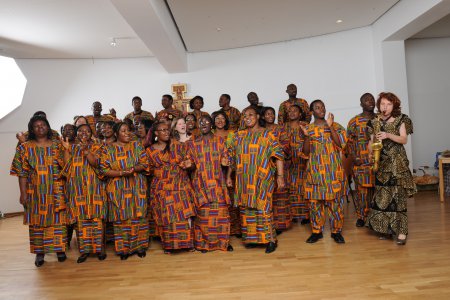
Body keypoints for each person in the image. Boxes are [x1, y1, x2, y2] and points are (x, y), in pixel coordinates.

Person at [10, 115, 67, 267]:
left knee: (58, 221)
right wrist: (22, 193)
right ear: (31, 130)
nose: (40, 127)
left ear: (48, 127)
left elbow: (67, 166)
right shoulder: (25, 148)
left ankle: (59, 250)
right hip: (35, 192)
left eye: (43, 125)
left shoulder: (57, 145)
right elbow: (21, 172)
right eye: (36, 126)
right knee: (37, 223)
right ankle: (39, 253)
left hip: (56, 190)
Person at [226, 106, 285, 253]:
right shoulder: (238, 136)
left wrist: (280, 176)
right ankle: (251, 239)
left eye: (250, 115)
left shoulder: (268, 135)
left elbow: (278, 155)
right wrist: (228, 176)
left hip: (262, 177)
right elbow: (231, 158)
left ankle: (270, 239)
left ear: (258, 116)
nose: (247, 118)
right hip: (244, 179)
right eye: (244, 116)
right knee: (246, 209)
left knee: (264, 207)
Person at [366, 92, 416, 245]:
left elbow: (403, 139)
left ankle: (401, 233)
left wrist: (388, 134)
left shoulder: (402, 119)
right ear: (378, 105)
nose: (384, 107)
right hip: (381, 163)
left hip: (397, 163)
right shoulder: (374, 121)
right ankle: (386, 230)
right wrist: (370, 153)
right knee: (383, 198)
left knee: (398, 198)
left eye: (388, 104)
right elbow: (371, 141)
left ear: (394, 105)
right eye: (382, 104)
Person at [99, 122, 150, 260]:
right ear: (116, 133)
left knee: (138, 216)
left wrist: (134, 169)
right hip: (118, 188)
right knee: (121, 218)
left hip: (136, 186)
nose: (127, 133)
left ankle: (140, 247)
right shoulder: (108, 149)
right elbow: (104, 169)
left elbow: (145, 163)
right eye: (123, 131)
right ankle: (123, 249)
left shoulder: (137, 145)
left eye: (128, 130)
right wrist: (121, 173)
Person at [301, 100, 348, 244]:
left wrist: (330, 126)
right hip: (315, 171)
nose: (321, 109)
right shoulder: (308, 128)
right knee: (315, 204)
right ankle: (316, 231)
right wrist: (307, 136)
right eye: (317, 107)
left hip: (333, 171)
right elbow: (305, 152)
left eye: (322, 107)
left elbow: (341, 144)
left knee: (335, 204)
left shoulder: (336, 126)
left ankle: (336, 231)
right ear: (312, 112)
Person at [146, 121, 196, 253]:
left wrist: (189, 165)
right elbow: (148, 171)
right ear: (156, 133)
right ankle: (169, 245)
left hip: (180, 185)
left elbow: (191, 164)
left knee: (183, 216)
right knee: (166, 217)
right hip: (162, 188)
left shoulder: (178, 146)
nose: (166, 132)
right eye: (162, 130)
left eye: (167, 129)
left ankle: (186, 244)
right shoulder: (150, 151)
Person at [187, 115, 233, 252]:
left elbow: (227, 159)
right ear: (198, 125)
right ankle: (204, 244)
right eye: (201, 122)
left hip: (218, 182)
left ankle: (223, 243)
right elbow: (190, 163)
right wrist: (189, 165)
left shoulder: (220, 141)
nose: (204, 124)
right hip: (200, 183)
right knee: (203, 216)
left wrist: (226, 162)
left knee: (221, 214)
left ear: (211, 124)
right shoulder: (192, 143)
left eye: (207, 121)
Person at [61, 124, 107, 263]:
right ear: (76, 133)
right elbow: (66, 165)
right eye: (80, 131)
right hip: (77, 189)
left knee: (97, 219)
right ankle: (84, 250)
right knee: (81, 221)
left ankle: (100, 249)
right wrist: (66, 148)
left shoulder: (98, 146)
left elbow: (97, 163)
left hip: (95, 189)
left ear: (91, 133)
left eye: (87, 131)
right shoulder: (72, 147)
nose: (83, 133)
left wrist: (86, 151)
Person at [346, 93, 376, 227]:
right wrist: (354, 157)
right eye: (366, 100)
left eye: (372, 99)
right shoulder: (354, 121)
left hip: (378, 161)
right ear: (361, 104)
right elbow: (349, 142)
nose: (370, 101)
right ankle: (361, 217)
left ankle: (376, 216)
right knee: (361, 192)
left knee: (378, 191)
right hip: (361, 162)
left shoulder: (380, 119)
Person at [261, 107, 291, 233]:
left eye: (272, 114)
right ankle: (268, 223)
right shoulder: (261, 130)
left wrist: (273, 152)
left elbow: (286, 144)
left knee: (280, 195)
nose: (270, 116)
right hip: (264, 166)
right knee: (267, 196)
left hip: (278, 163)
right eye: (267, 114)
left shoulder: (280, 128)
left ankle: (280, 225)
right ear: (262, 117)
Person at [212, 111, 241, 237]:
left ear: (226, 121)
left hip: (230, 172)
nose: (219, 120)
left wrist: (229, 174)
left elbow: (234, 155)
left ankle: (235, 229)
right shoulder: (210, 135)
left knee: (232, 200)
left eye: (222, 118)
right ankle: (220, 230)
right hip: (214, 173)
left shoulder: (232, 134)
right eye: (217, 118)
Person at [285, 104, 310, 224]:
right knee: (292, 188)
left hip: (304, 162)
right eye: (289, 111)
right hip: (289, 163)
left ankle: (306, 215)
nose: (292, 112)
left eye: (295, 110)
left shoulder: (305, 126)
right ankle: (294, 214)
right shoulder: (283, 127)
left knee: (305, 188)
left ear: (300, 114)